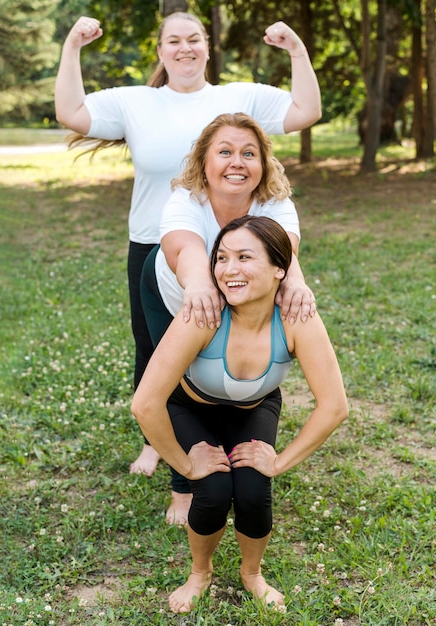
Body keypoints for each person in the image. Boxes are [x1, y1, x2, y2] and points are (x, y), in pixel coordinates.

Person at [54, 12, 321, 490]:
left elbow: (304, 112)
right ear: (160, 51)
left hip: (236, 251)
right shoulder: (137, 101)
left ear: (207, 47)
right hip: (156, 246)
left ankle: (214, 447)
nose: (185, 48)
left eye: (194, 39)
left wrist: (297, 51)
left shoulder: (236, 98)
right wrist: (72, 46)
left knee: (213, 352)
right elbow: (72, 113)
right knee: (154, 350)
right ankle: (157, 440)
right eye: (173, 41)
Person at [132, 215, 348, 614]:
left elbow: (335, 406)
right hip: (191, 407)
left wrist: (280, 461)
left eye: (244, 257)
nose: (229, 270)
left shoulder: (297, 317)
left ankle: (252, 574)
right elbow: (145, 403)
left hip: (253, 409)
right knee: (213, 490)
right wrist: (186, 464)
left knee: (252, 487)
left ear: (279, 267)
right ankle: (200, 573)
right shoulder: (204, 313)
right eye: (222, 258)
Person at [142, 112, 315, 524]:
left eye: (248, 153)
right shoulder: (186, 200)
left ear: (262, 165)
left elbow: (284, 254)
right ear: (204, 161)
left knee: (223, 369)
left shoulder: (276, 202)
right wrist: (200, 285)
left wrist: (297, 283)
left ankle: (229, 442)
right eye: (225, 151)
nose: (237, 161)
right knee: (168, 378)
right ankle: (182, 485)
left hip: (230, 295)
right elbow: (186, 250)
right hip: (172, 291)